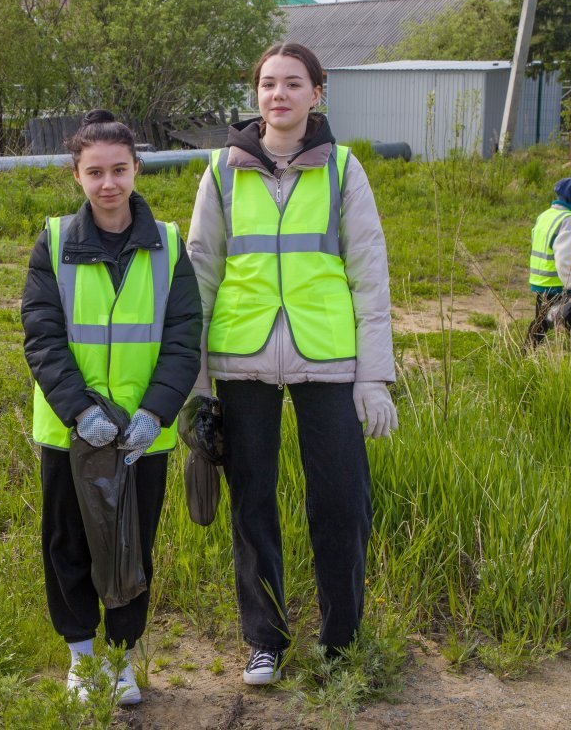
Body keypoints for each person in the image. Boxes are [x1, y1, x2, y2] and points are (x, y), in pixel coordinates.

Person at [187, 43, 397, 685]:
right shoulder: (222, 172)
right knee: (253, 504)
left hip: (328, 360)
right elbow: (198, 273)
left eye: (293, 83)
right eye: (268, 84)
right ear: (256, 95)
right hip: (241, 360)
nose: (278, 95)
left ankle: (340, 642)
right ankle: (265, 641)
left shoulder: (342, 171)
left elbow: (369, 273)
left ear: (317, 94)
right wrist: (196, 384)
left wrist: (373, 376)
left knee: (341, 503)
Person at [22, 109, 202, 705]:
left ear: (137, 169)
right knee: (68, 542)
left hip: (141, 436)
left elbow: (182, 338)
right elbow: (42, 336)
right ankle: (82, 658)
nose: (108, 184)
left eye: (119, 170)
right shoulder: (52, 243)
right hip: (69, 433)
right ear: (76, 175)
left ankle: (123, 660)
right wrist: (78, 411)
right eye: (94, 172)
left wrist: (156, 412)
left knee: (132, 548)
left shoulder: (171, 246)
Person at [526, 177, 571, 349]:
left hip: (541, 282)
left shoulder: (545, 216)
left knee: (540, 325)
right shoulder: (568, 220)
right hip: (559, 285)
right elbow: (565, 260)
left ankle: (526, 356)